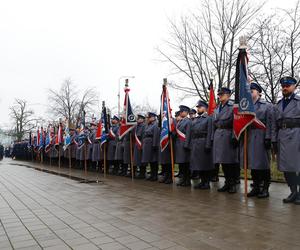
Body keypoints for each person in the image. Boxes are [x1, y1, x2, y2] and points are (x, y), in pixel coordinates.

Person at [272, 76, 300, 204]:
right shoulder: (278, 105)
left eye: (288, 85)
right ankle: (293, 192)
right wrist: (273, 140)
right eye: (283, 86)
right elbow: (274, 124)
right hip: (282, 137)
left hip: (296, 136)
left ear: (294, 87)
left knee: (298, 166)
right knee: (287, 167)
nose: (285, 88)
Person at [246, 83, 273, 198]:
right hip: (250, 136)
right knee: (253, 164)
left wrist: (268, 138)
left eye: (253, 90)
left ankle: (265, 188)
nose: (250, 92)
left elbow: (270, 123)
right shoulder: (246, 106)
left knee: (263, 164)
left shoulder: (267, 105)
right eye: (249, 90)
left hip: (262, 136)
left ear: (259, 92)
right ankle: (256, 187)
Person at [212, 87, 239, 193]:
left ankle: (233, 184)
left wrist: (235, 137)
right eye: (219, 94)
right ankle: (227, 183)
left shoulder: (233, 107)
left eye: (222, 94)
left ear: (228, 95)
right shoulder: (217, 108)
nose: (219, 96)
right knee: (223, 162)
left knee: (230, 162)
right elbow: (214, 123)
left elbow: (236, 123)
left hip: (228, 135)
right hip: (219, 135)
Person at [190, 100, 214, 189]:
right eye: (198, 107)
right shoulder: (196, 119)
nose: (198, 109)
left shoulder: (209, 118)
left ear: (205, 108)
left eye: (200, 107)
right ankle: (202, 181)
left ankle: (206, 182)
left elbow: (210, 132)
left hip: (204, 142)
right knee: (198, 164)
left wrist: (208, 144)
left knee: (205, 164)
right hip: (196, 143)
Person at [175, 105, 191, 187]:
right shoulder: (180, 121)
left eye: (182, 111)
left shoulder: (188, 121)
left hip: (184, 144)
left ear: (187, 112)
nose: (181, 112)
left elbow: (188, 134)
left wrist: (187, 144)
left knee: (186, 164)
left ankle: (187, 181)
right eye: (180, 111)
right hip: (179, 144)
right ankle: (183, 180)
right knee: (181, 164)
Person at [141, 112, 160, 181]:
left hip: (152, 144)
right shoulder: (148, 125)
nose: (147, 119)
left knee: (154, 160)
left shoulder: (155, 125)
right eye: (147, 118)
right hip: (147, 144)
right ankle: (152, 175)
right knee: (150, 160)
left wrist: (155, 145)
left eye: (149, 118)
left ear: (153, 118)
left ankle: (155, 175)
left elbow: (156, 135)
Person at [134, 114, 146, 179]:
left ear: (142, 119)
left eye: (139, 118)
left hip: (141, 143)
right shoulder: (137, 126)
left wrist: (142, 144)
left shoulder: (144, 126)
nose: (137, 119)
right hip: (137, 144)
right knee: (138, 159)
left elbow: (143, 135)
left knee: (142, 159)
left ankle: (143, 173)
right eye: (137, 118)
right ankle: (140, 173)